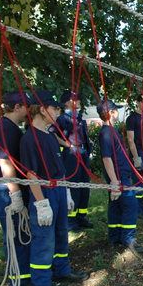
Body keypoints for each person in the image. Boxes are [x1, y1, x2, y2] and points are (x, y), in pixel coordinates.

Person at [20, 91, 88, 286]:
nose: (58, 113)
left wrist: (66, 191)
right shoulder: (30, 139)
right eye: (54, 109)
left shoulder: (50, 136)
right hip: (44, 193)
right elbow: (31, 174)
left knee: (61, 233)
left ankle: (62, 270)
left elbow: (59, 168)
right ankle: (42, 283)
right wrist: (41, 204)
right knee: (44, 238)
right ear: (42, 110)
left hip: (58, 189)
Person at [0, 91, 31, 286]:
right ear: (16, 107)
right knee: (14, 236)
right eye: (26, 107)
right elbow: (6, 163)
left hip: (12, 187)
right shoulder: (5, 129)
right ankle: (19, 280)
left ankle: (24, 275)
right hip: (7, 190)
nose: (28, 112)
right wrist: (15, 194)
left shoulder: (11, 127)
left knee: (20, 234)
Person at [98, 99, 143, 253]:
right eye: (116, 110)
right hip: (119, 178)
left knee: (116, 206)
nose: (118, 112)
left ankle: (115, 236)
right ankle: (129, 238)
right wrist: (114, 182)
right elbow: (106, 158)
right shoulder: (106, 132)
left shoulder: (111, 130)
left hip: (120, 176)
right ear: (111, 113)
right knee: (130, 205)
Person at [49, 91, 93, 231]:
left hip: (83, 153)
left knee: (84, 185)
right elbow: (52, 133)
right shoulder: (62, 119)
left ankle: (81, 216)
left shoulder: (79, 117)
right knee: (73, 185)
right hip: (72, 155)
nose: (78, 100)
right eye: (75, 99)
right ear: (67, 102)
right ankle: (71, 220)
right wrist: (67, 144)